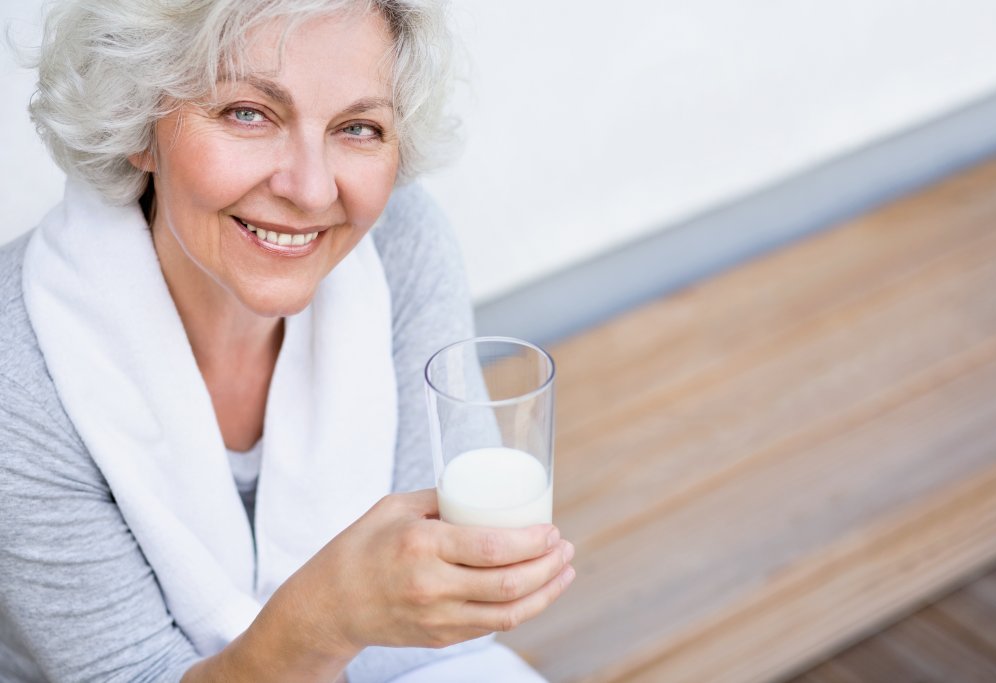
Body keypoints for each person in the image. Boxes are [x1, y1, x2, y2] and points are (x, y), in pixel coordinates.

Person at [0, 1, 575, 681]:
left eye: (358, 127)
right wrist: (328, 614)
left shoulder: (399, 244)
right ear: (138, 121)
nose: (309, 189)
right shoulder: (21, 359)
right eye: (248, 113)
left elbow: (446, 630)